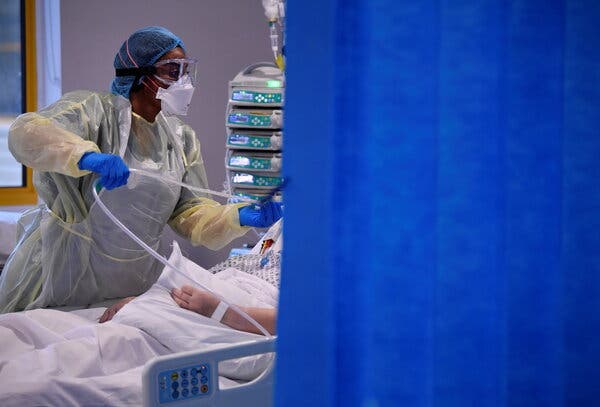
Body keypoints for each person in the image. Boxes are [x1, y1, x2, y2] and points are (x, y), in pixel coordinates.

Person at [0, 26, 282, 313]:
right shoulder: (94, 112)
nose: (183, 81)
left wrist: (240, 216)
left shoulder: (180, 139)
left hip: (128, 289)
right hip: (62, 276)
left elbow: (191, 214)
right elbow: (26, 133)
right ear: (142, 76)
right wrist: (85, 157)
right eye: (173, 71)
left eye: (186, 71)